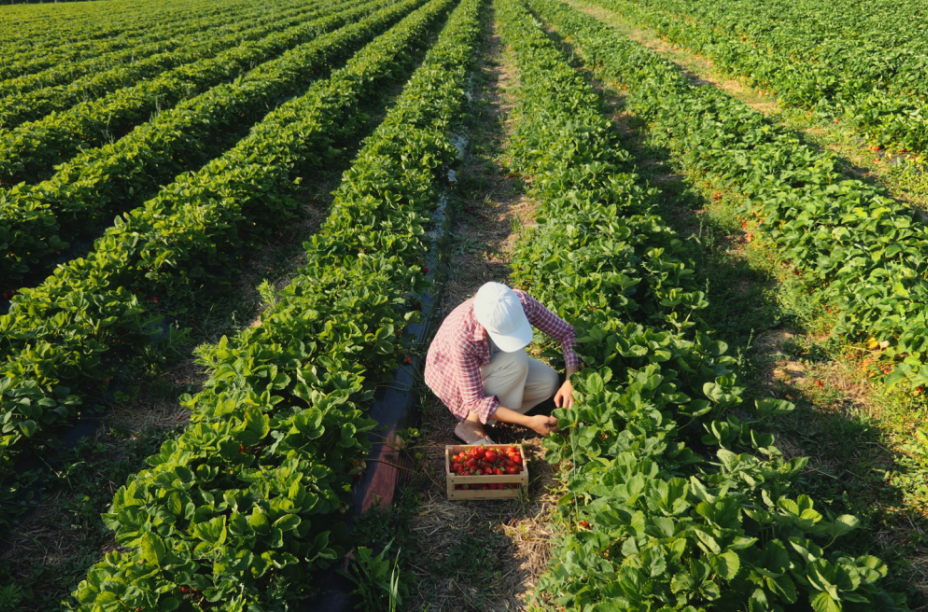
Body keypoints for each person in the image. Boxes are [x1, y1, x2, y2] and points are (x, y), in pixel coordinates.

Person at [424, 282, 580, 444]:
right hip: (451, 375)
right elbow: (474, 400)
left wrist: (570, 380)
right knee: (516, 360)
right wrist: (529, 422)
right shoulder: (464, 334)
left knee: (549, 381)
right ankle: (471, 424)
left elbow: (567, 333)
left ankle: (496, 415)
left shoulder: (522, 303)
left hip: (496, 363)